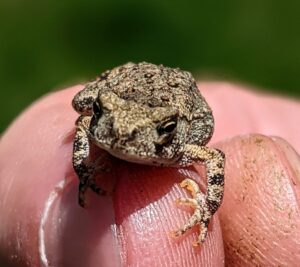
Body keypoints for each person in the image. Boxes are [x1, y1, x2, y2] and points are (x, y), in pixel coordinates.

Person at [0, 82, 299, 266]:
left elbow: (215, 158)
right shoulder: (105, 125)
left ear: (170, 129)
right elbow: (83, 122)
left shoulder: (180, 145)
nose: (124, 136)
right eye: (107, 115)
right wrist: (82, 166)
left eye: (163, 127)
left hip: (174, 99)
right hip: (126, 84)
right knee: (80, 104)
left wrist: (206, 208)